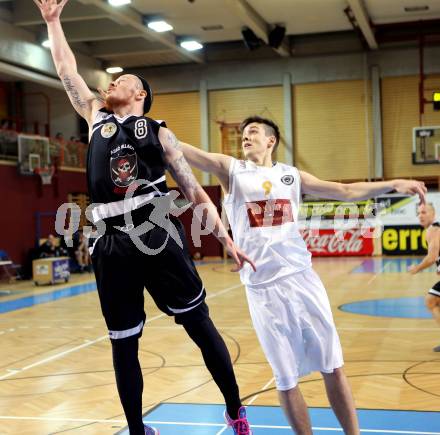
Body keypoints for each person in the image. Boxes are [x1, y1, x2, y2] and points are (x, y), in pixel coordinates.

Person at [35, 1, 255, 434]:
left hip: (154, 227)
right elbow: (66, 70)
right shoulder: (95, 117)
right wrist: (53, 22)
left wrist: (226, 238)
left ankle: (235, 410)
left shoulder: (159, 132)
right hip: (110, 239)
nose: (112, 81)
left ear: (140, 95)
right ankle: (137, 430)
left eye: (123, 80)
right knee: (123, 342)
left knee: (197, 320)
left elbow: (194, 192)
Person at [179, 115, 427, 434]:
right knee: (285, 378)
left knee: (333, 367)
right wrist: (145, 127)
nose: (245, 136)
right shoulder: (232, 170)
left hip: (302, 280)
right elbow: (186, 150)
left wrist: (393, 184)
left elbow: (344, 190)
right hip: (262, 290)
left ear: (271, 141)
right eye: (243, 133)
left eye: (253, 132)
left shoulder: (290, 176)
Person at [408, 203, 440, 352]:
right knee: (435, 301)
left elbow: (432, 257)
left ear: (433, 214)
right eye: (418, 213)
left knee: (430, 301)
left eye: (424, 212)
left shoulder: (433, 230)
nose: (420, 215)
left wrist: (416, 269)